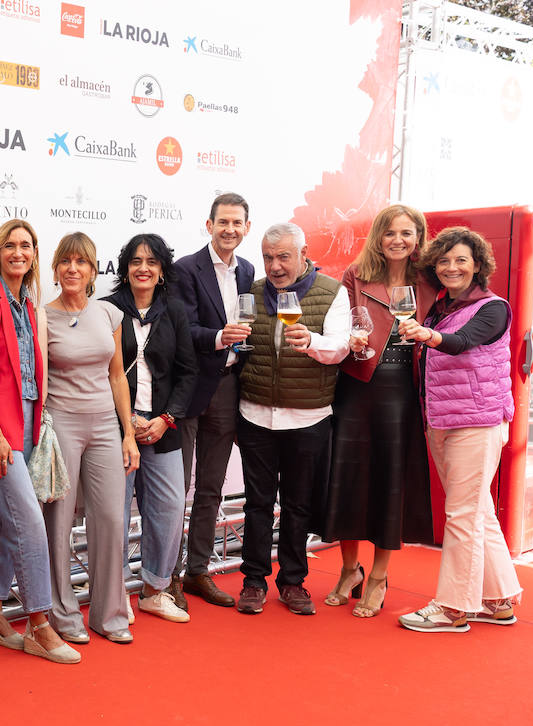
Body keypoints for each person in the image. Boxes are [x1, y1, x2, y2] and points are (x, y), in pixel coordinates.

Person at [396, 226, 522, 632]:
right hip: (443, 421)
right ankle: (498, 599)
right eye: (445, 260)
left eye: (461, 260)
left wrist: (426, 334)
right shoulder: (440, 305)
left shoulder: (493, 307)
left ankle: (453, 607)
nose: (452, 267)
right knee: (478, 511)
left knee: (462, 514)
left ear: (478, 265)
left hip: (478, 422)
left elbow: (462, 342)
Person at [0, 219, 79, 664]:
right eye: (10, 245)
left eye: (26, 245)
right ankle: (39, 623)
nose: (18, 252)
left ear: (34, 254)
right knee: (29, 521)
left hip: (29, 418)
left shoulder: (28, 303)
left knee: (7, 518)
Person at [321, 205, 436, 617]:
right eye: (390, 232)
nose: (398, 240)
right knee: (347, 479)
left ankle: (380, 577)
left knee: (390, 484)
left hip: (402, 392)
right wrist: (348, 339)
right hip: (356, 385)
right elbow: (340, 323)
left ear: (418, 237)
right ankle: (350, 569)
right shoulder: (356, 274)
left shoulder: (430, 279)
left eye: (407, 233)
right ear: (378, 237)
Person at [236, 223, 350, 615]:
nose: (275, 266)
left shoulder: (332, 292)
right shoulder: (251, 293)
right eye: (268, 257)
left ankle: (292, 581)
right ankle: (253, 581)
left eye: (283, 256)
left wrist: (313, 343)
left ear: (304, 253)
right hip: (255, 415)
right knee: (257, 504)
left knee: (299, 505)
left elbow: (341, 346)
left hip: (308, 417)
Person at [42, 232, 140, 644]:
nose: (73, 269)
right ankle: (62, 613)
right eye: (66, 261)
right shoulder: (41, 316)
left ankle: (109, 613)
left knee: (111, 519)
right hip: (61, 422)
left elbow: (118, 376)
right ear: (55, 268)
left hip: (104, 424)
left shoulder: (109, 314)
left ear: (93, 270)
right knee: (58, 523)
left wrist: (128, 434)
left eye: (81, 262)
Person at [106, 234, 197, 626]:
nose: (144, 267)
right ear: (125, 268)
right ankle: (114, 593)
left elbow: (188, 373)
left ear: (162, 271)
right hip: (114, 428)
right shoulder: (107, 311)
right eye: (136, 261)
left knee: (168, 510)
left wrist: (166, 419)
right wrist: (128, 423)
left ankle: (154, 590)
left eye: (152, 262)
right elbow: (99, 373)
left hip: (164, 426)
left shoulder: (174, 311)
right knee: (113, 513)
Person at [173, 193, 255, 609]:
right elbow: (182, 329)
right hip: (189, 390)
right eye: (223, 222)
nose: (229, 230)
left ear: (246, 228)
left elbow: (250, 326)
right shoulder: (186, 268)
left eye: (237, 223)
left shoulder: (249, 271)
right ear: (209, 225)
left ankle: (197, 572)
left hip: (227, 387)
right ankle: (166, 577)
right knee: (175, 489)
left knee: (210, 488)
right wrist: (221, 336)